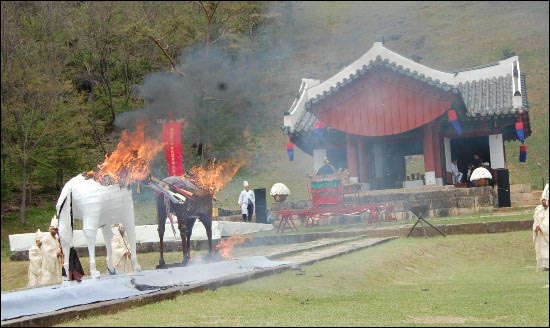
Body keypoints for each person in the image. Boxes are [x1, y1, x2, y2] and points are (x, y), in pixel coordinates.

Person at [41, 216, 63, 285]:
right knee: (49, 276)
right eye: (54, 229)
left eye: (56, 229)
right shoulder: (45, 238)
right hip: (49, 261)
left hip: (56, 260)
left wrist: (59, 251)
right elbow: (46, 251)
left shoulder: (56, 237)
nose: (55, 231)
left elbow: (57, 246)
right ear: (50, 229)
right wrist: (56, 254)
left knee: (57, 275)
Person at [533, 183, 549, 271]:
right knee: (542, 250)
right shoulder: (539, 210)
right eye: (542, 200)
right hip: (541, 234)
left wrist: (542, 227)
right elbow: (536, 220)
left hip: (546, 233)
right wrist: (536, 227)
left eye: (545, 200)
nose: (543, 202)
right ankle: (545, 265)